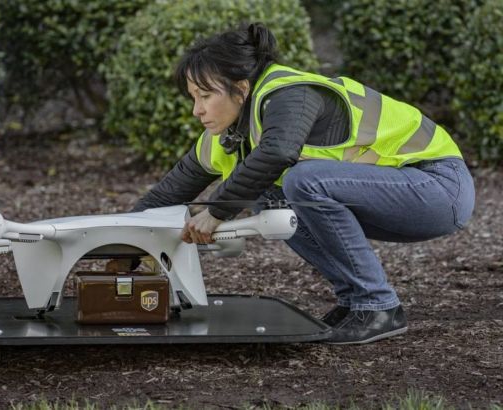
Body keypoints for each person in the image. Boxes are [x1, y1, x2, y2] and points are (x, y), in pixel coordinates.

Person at [129, 22, 475, 344]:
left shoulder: (290, 94)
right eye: (193, 97)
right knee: (267, 195)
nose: (196, 110)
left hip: (438, 188)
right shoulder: (228, 135)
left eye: (204, 96)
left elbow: (278, 153)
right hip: (398, 196)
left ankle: (377, 305)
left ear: (240, 88)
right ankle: (356, 300)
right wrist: (122, 243)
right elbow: (169, 192)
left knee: (302, 180)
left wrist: (217, 211)